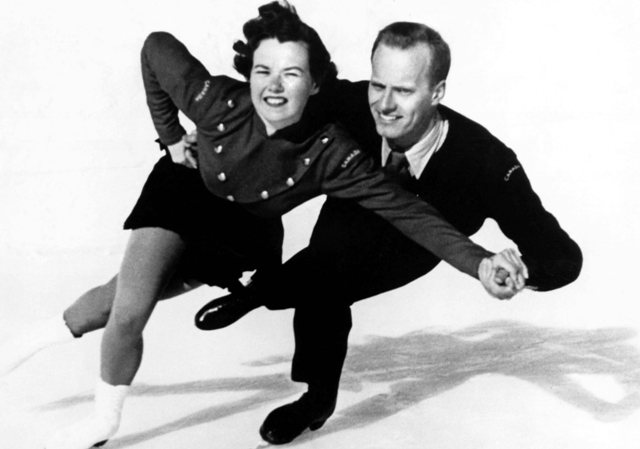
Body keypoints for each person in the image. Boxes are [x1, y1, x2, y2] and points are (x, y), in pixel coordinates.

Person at [0, 4, 527, 449]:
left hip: (239, 234)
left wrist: (479, 262)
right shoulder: (214, 102)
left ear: (315, 83)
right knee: (133, 308)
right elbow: (155, 47)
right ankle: (103, 422)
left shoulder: (332, 155)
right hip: (183, 195)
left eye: (291, 75)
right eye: (262, 71)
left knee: (120, 298)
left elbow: (412, 215)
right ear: (247, 71)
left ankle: (27, 341)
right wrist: (170, 137)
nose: (273, 88)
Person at [194, 17, 583, 445]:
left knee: (325, 283)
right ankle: (262, 294)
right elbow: (289, 94)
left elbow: (564, 257)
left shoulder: (486, 163)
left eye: (404, 90)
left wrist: (517, 269)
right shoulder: (353, 101)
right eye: (379, 85)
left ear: (437, 93)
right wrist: (213, 128)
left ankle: (311, 391)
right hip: (348, 218)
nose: (384, 104)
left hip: (412, 246)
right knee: (323, 270)